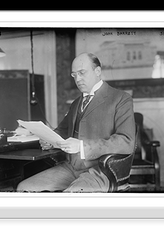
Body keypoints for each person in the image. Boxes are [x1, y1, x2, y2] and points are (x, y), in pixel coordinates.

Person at [17, 52, 136, 193]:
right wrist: (49, 140)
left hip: (100, 170)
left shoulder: (121, 99)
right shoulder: (76, 103)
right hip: (71, 167)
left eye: (82, 73)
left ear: (97, 71)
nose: (78, 79)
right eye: (74, 75)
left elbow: (126, 141)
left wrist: (81, 146)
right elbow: (61, 130)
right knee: (24, 188)